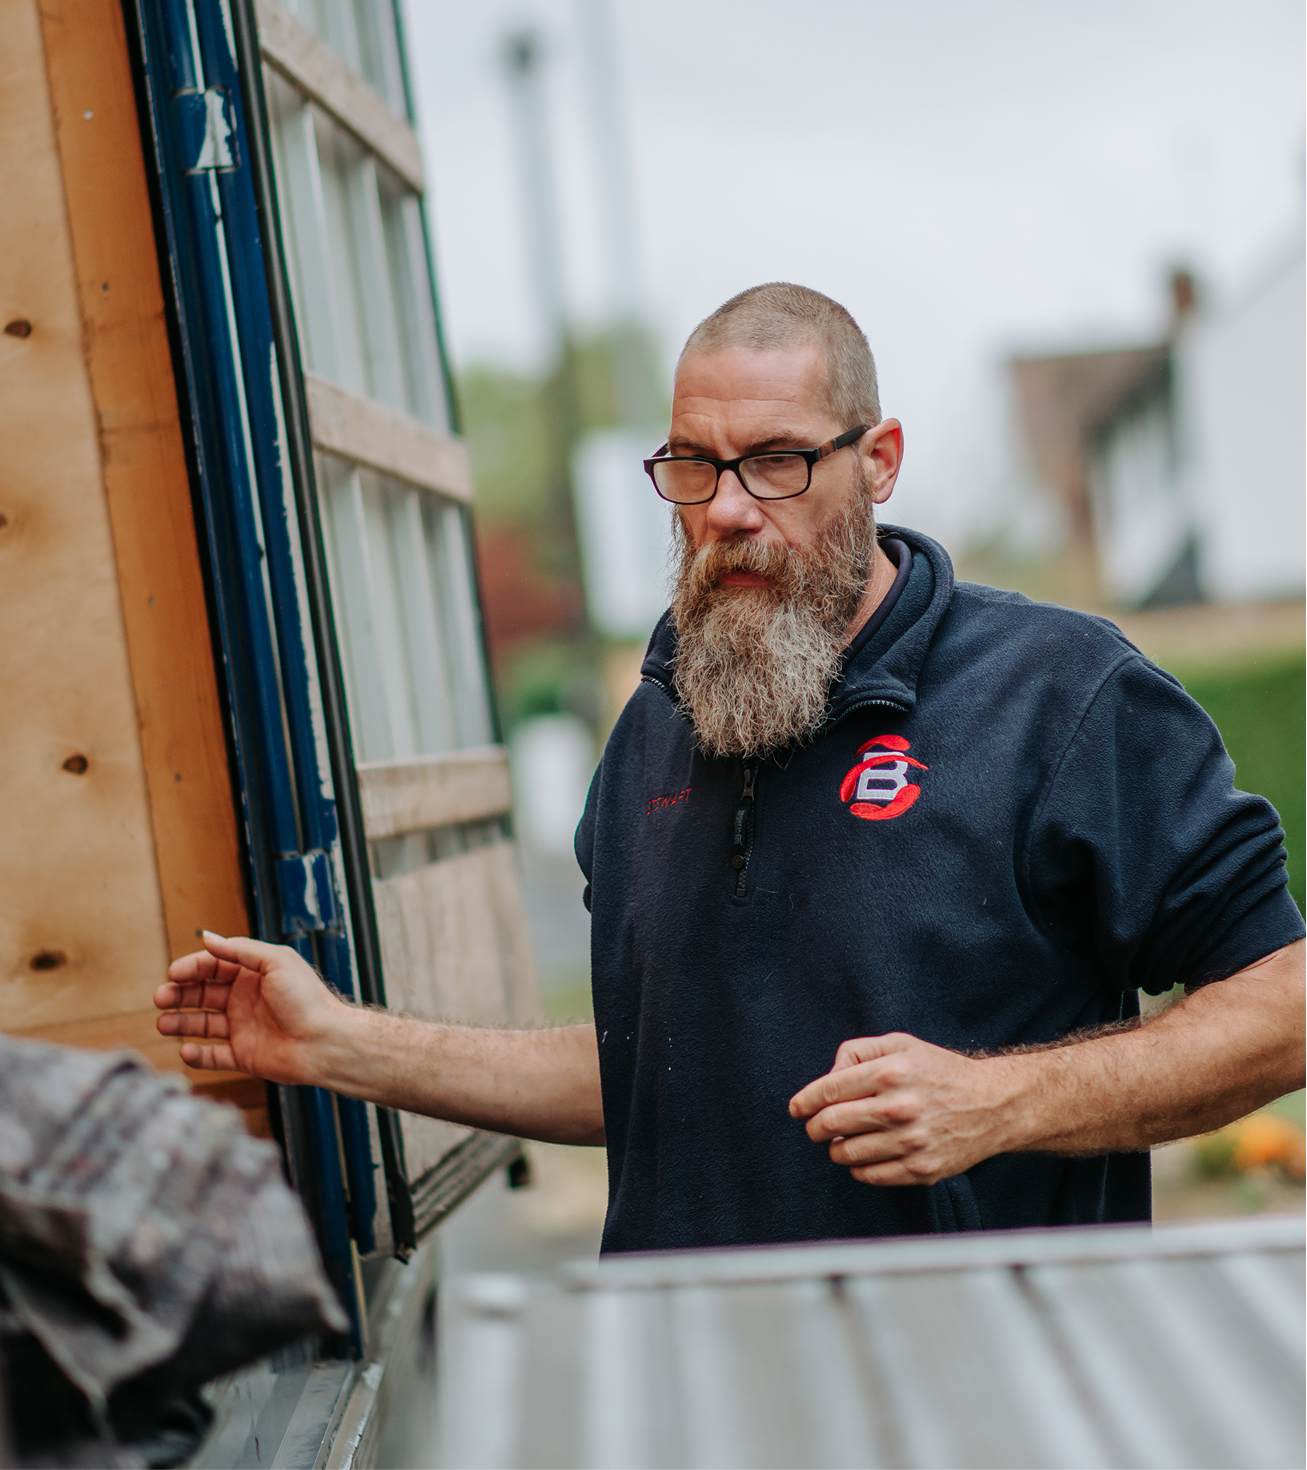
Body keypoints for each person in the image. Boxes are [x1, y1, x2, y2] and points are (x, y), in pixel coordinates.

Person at [156, 283, 1305, 1253]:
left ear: (878, 461)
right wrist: (334, 1042)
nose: (728, 511)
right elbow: (652, 1069)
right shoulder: (658, 719)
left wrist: (998, 1103)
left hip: (989, 1402)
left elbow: (1282, 1004)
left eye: (776, 462)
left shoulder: (1060, 694)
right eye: (694, 467)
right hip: (693, 1397)